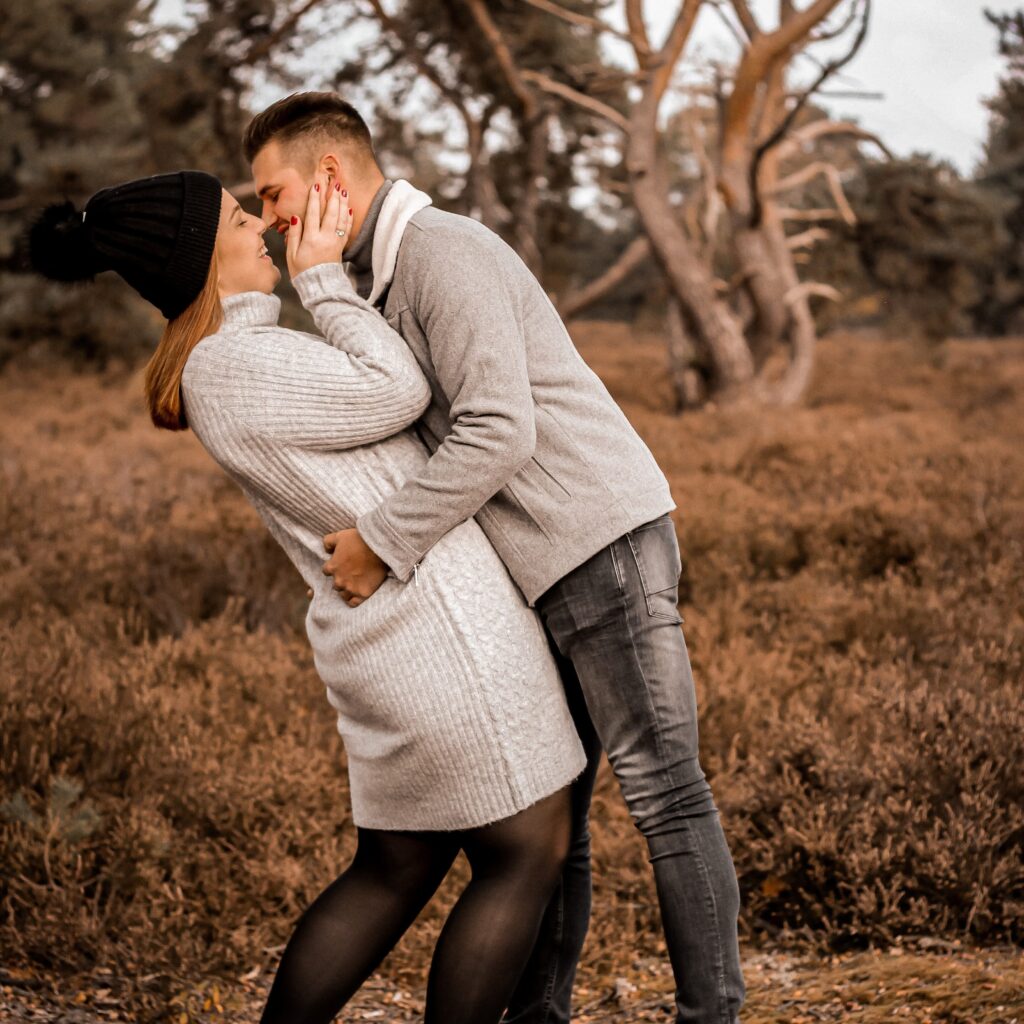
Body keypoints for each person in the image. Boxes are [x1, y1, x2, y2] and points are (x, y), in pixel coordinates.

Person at [27, 170, 589, 1024]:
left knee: (396, 869)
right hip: (442, 641)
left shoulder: (240, 357)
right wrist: (323, 277)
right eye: (234, 215)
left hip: (407, 638)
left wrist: (319, 290)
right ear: (195, 256)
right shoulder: (237, 364)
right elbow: (398, 390)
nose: (259, 223)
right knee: (525, 852)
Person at [245, 92, 747, 1024]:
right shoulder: (371, 279)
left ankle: (710, 1016)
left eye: (273, 195)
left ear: (326, 177)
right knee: (558, 822)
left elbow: (498, 429)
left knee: (665, 791)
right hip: (535, 567)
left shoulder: (444, 251)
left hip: (599, 541)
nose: (272, 222)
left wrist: (384, 543)